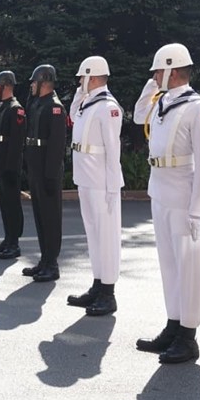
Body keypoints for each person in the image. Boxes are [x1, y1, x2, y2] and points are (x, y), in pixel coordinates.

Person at [132, 44, 200, 364]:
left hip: (183, 195)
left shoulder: (198, 107)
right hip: (160, 191)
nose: (154, 76)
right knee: (169, 265)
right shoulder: (162, 101)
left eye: (158, 71)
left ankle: (188, 336)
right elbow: (139, 114)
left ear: (172, 70)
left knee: (189, 268)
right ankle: (173, 324)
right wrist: (152, 86)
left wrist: (198, 208)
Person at [65, 56, 124, 315]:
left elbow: (114, 149)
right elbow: (72, 116)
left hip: (102, 182)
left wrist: (114, 186)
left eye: (83, 77)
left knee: (107, 236)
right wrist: (80, 91)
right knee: (93, 234)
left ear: (93, 76)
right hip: (86, 178)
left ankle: (108, 293)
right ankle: (97, 284)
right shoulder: (88, 103)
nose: (79, 81)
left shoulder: (107, 106)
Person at [23, 64, 68, 282]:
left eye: (34, 81)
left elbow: (57, 145)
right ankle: (44, 259)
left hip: (47, 169)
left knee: (50, 218)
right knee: (40, 217)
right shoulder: (37, 104)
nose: (31, 85)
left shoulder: (55, 107)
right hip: (35, 167)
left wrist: (50, 175)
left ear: (43, 82)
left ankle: (53, 263)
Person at [0, 71, 27, 259]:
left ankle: (14, 242)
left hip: (9, 167)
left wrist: (10, 168)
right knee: (4, 204)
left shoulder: (15, 108)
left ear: (5, 86)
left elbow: (16, 143)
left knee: (12, 205)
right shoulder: (1, 107)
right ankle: (8, 238)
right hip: (0, 166)